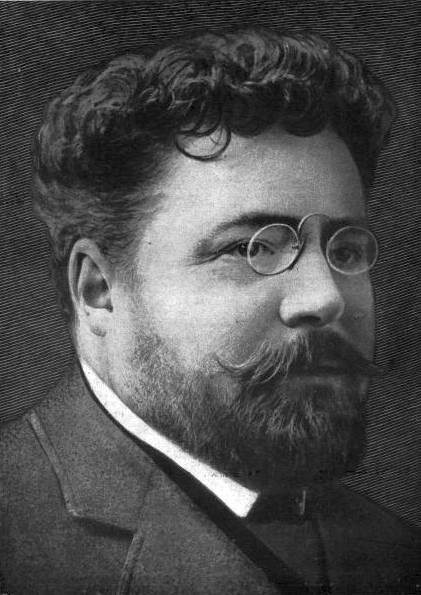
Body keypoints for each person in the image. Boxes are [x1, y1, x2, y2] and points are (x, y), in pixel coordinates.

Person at [0, 28, 419, 595]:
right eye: (251, 249)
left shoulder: (395, 551)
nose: (325, 298)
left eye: (344, 251)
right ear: (98, 289)